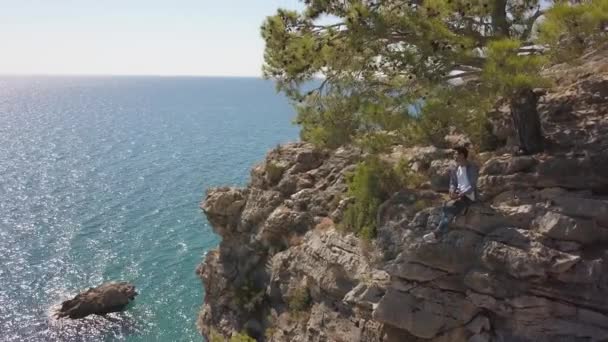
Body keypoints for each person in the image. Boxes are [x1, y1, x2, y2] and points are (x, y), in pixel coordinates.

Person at [424, 146, 478, 242]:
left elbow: (472, 186)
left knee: (450, 208)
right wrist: (452, 191)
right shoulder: (456, 169)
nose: (454, 156)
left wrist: (460, 195)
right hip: (459, 195)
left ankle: (436, 234)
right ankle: (438, 234)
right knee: (446, 207)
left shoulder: (472, 167)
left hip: (469, 196)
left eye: (456, 154)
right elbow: (453, 183)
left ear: (462, 155)